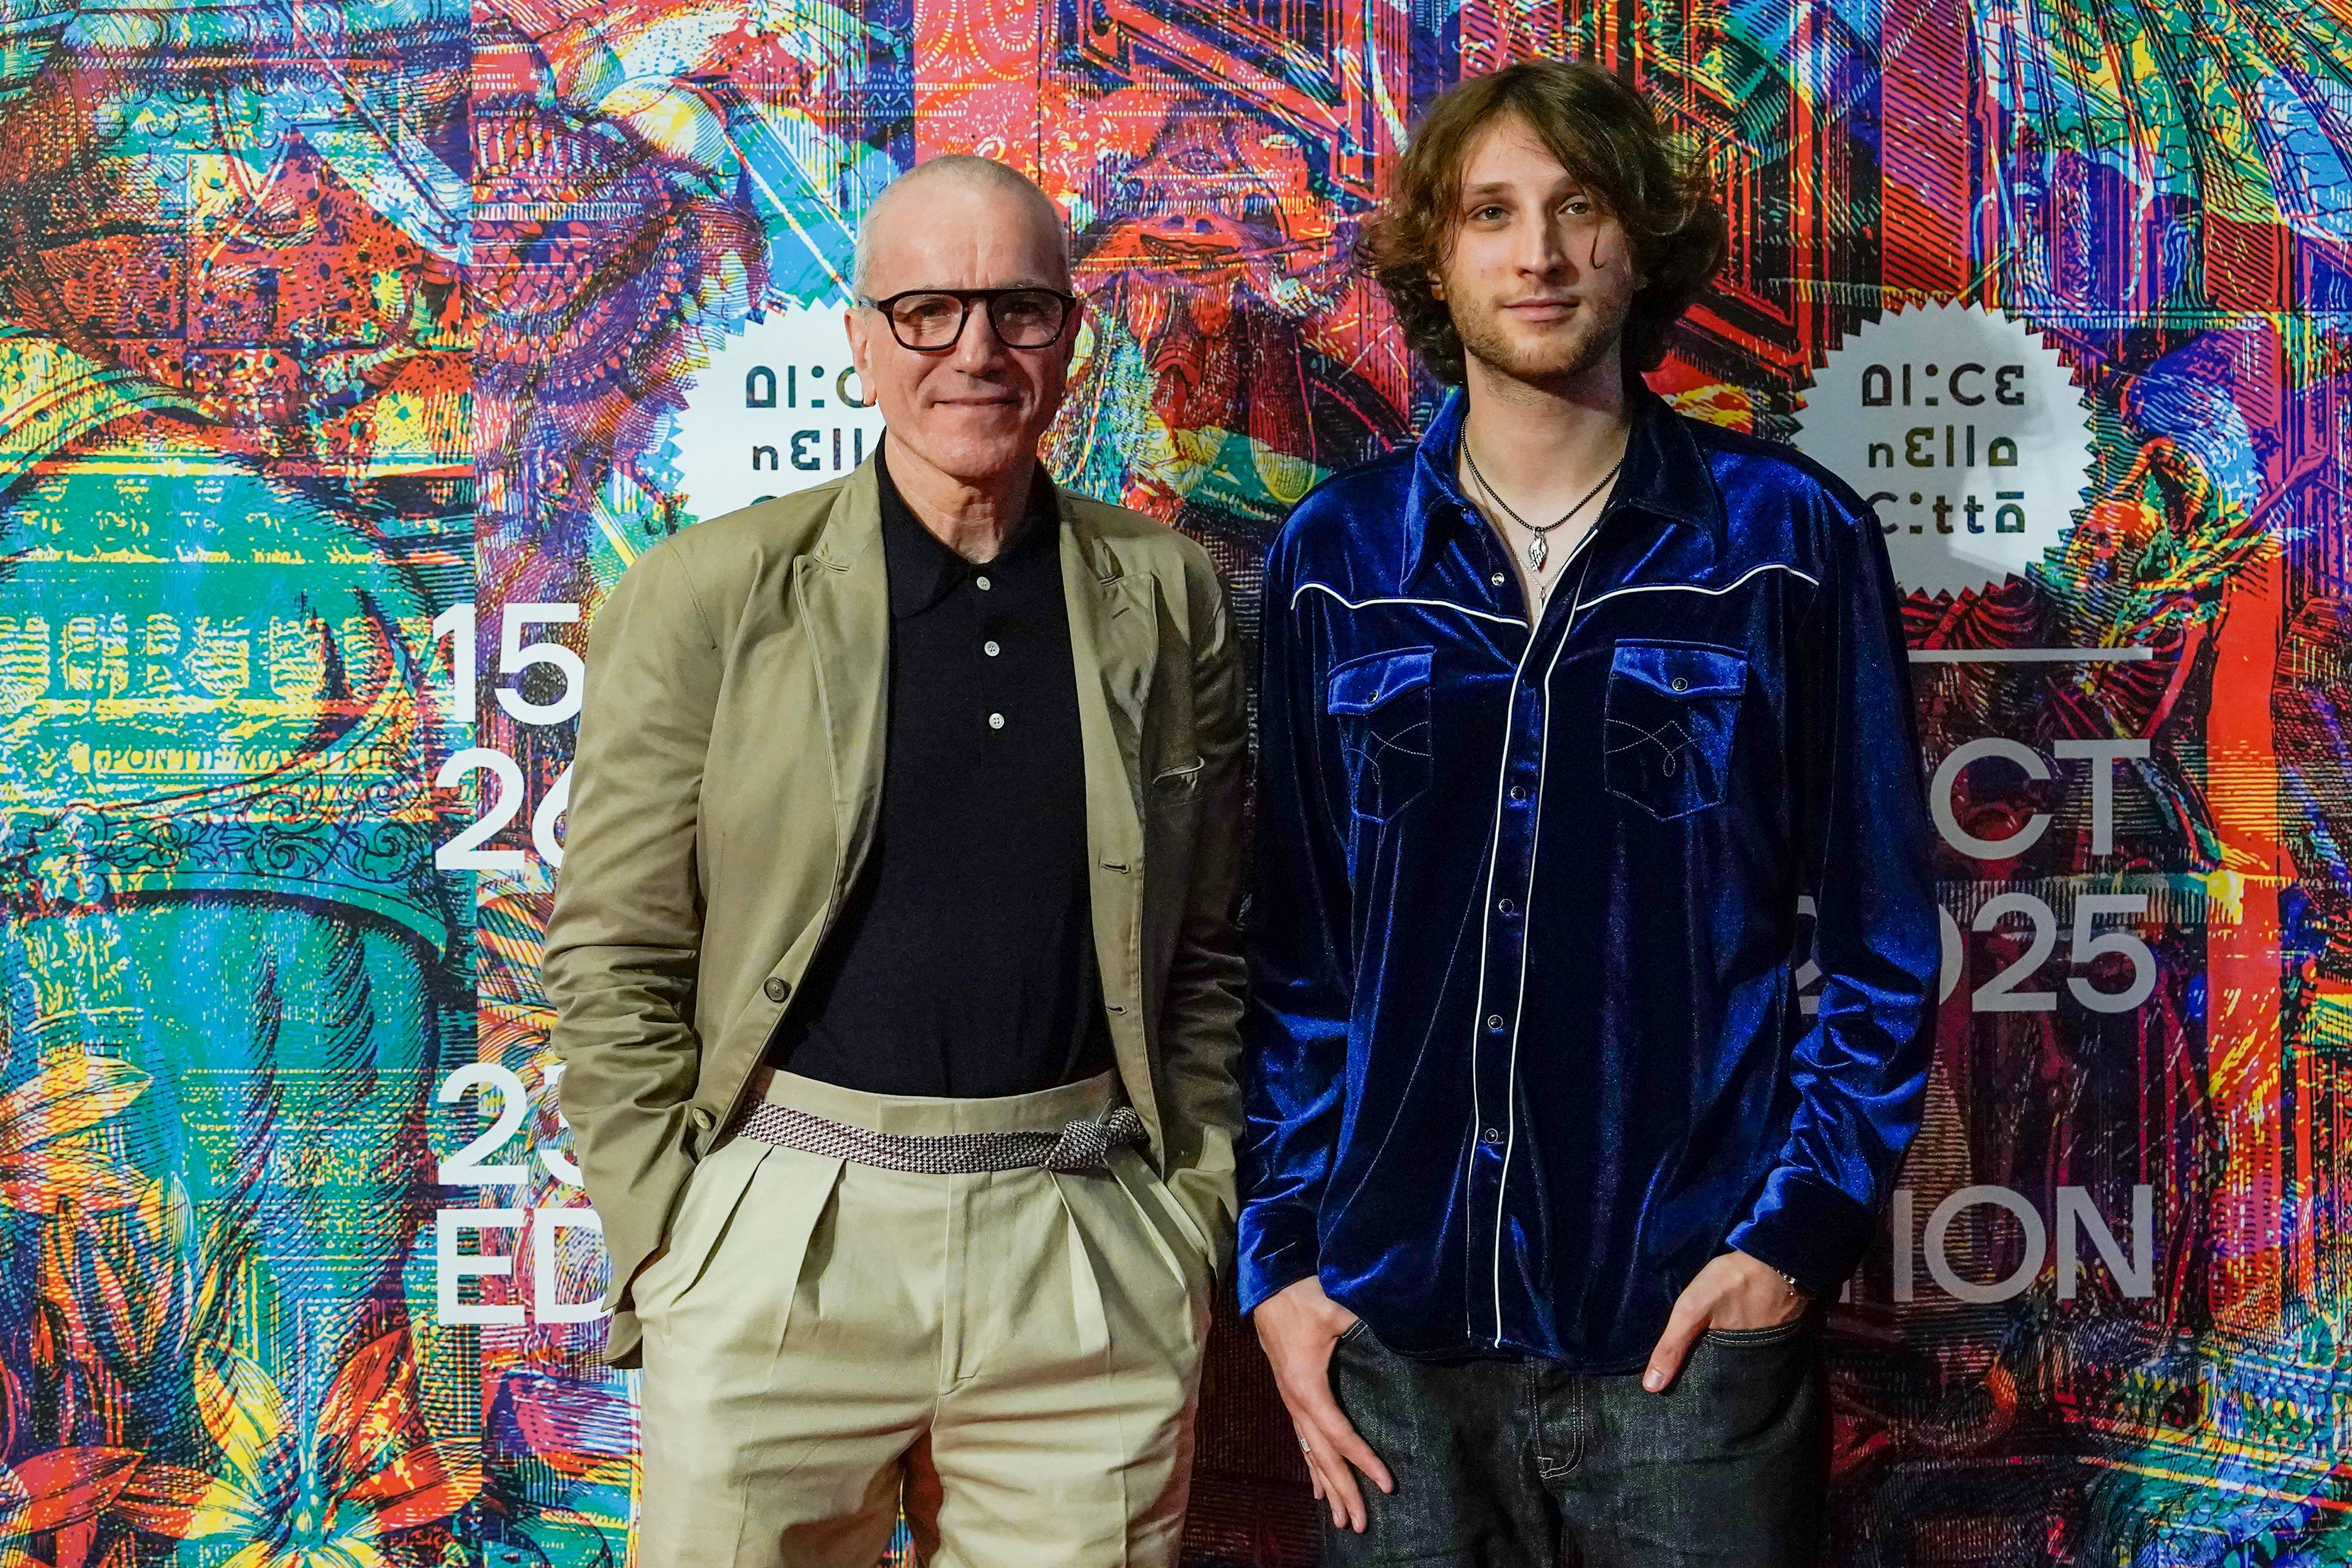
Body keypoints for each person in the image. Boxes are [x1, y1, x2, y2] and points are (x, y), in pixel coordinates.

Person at [1240, 59, 1938, 1567]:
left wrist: (1784, 1246)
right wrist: (1280, 1265)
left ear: (1641, 243)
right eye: (1490, 213)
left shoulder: (1785, 543)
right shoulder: (1331, 559)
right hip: (1394, 1348)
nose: (1537, 253)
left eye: (1577, 208)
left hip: (1686, 1343)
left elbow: (1882, 944)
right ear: (1437, 256)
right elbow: (1294, 966)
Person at [545, 154, 1247, 1568]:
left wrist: (1186, 1218)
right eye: (925, 310)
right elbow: (613, 948)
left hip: (1086, 1242)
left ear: (1071, 336)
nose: (974, 352)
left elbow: (1209, 950)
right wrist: (677, 1244)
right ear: (860, 341)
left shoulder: (1165, 594)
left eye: (1019, 310)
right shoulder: (708, 594)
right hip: (779, 1240)